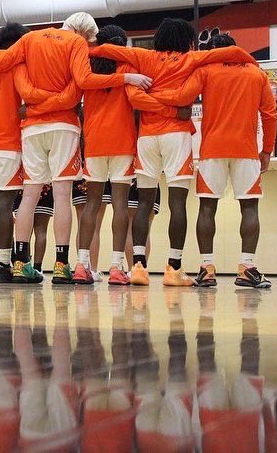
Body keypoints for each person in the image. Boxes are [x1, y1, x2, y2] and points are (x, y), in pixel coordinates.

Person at [0, 12, 153, 284]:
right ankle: (62, 265)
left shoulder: (30, 38)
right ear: (83, 34)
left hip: (32, 129)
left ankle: (18, 263)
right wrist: (125, 79)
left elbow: (4, 62)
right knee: (63, 196)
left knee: (29, 196)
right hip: (64, 126)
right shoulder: (74, 44)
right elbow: (83, 82)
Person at [89, 17, 259, 287]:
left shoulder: (142, 56)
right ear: (186, 40)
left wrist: (83, 48)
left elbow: (103, 52)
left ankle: (139, 268)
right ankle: (173, 268)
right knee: (177, 204)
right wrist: (253, 64)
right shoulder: (191, 60)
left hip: (147, 138)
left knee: (143, 204)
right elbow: (234, 53)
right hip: (177, 136)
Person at [148, 33, 277, 289]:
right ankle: (247, 268)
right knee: (249, 208)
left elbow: (182, 97)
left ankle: (206, 269)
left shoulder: (206, 71)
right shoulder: (257, 73)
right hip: (247, 150)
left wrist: (153, 95)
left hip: (212, 150)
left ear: (216, 51)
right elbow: (270, 114)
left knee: (207, 208)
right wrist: (267, 150)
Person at [73, 25, 160, 286]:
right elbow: (136, 107)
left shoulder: (88, 72)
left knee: (92, 205)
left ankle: (81, 265)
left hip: (95, 143)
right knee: (121, 205)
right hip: (122, 142)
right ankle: (116, 266)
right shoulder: (129, 70)